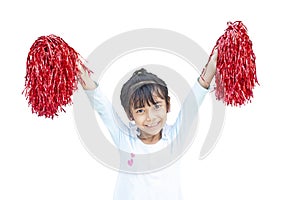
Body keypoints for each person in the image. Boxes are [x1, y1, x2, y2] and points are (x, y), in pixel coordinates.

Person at [79, 50, 217, 200]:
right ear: (130, 115)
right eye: (140, 110)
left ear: (168, 105)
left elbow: (191, 106)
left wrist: (208, 73)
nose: (150, 117)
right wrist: (83, 76)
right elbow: (103, 108)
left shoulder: (174, 138)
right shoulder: (125, 139)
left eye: (157, 106)